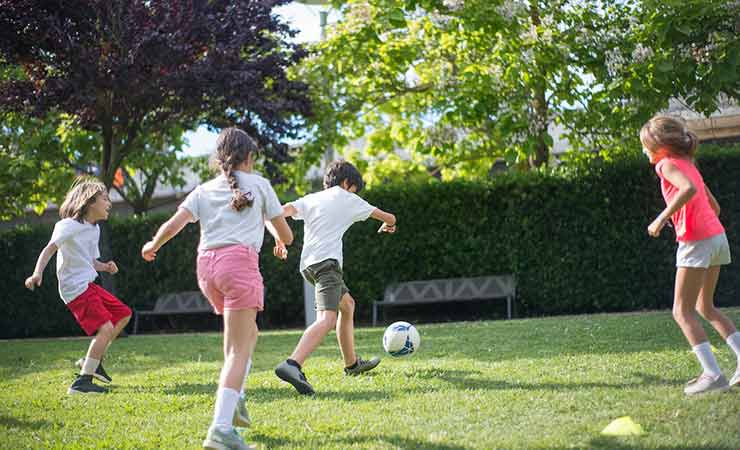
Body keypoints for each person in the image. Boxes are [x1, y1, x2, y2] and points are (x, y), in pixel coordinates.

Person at [141, 127, 293, 450]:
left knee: (245, 338)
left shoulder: (205, 189)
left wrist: (153, 244)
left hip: (207, 269)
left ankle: (234, 395)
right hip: (238, 266)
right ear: (249, 157)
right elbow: (287, 235)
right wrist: (279, 237)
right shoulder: (261, 185)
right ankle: (221, 429)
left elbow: (175, 224)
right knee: (240, 349)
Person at [274, 160, 396, 395]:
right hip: (327, 265)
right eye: (354, 189)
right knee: (327, 319)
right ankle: (292, 364)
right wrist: (387, 226)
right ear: (348, 183)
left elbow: (282, 211)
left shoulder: (312, 198)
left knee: (347, 305)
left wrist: (279, 237)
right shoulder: (348, 198)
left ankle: (352, 365)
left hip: (308, 266)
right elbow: (390, 217)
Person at [641, 115, 740, 395]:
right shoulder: (688, 164)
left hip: (697, 241)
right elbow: (715, 207)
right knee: (705, 308)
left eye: (645, 145)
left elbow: (688, 190)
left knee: (681, 311)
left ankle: (712, 374)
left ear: (660, 145)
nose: (644, 151)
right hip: (717, 237)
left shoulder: (666, 164)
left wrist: (661, 219)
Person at [24, 177, 131, 394]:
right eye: (105, 199)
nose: (109, 203)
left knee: (123, 314)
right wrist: (37, 273)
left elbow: (89, 261)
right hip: (75, 288)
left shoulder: (94, 229)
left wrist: (105, 266)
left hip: (88, 284)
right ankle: (82, 383)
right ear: (90, 202)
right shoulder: (67, 226)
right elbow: (49, 249)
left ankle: (93, 361)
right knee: (106, 328)